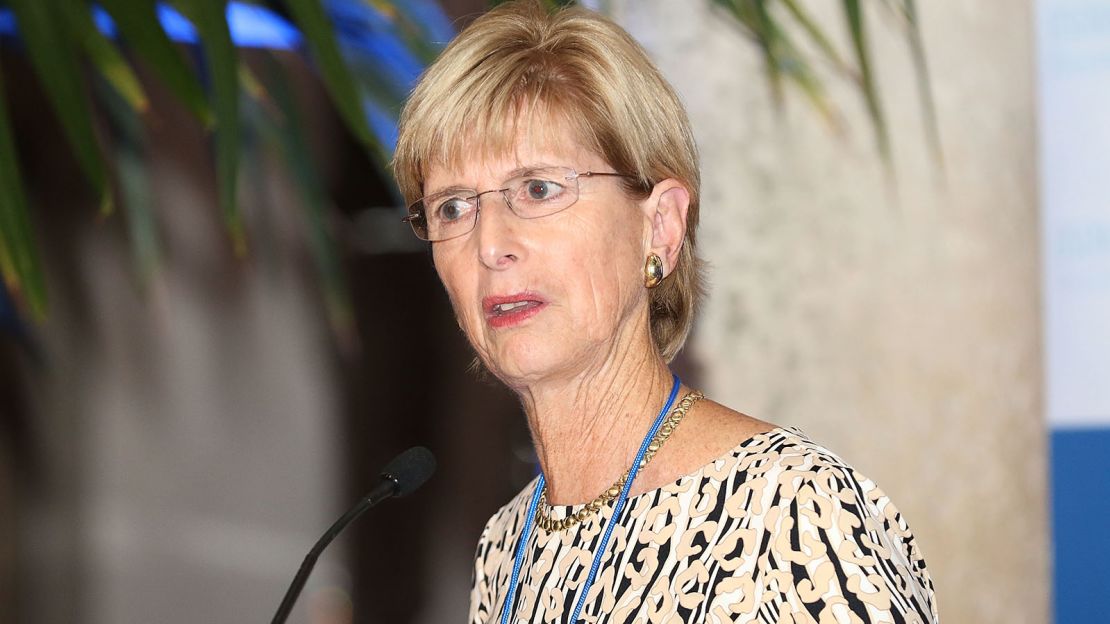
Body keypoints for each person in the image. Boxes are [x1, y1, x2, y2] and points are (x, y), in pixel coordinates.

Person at [393, 2, 939, 622]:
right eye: (453, 208)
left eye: (538, 189)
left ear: (660, 226)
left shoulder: (792, 516)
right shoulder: (507, 548)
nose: (490, 244)